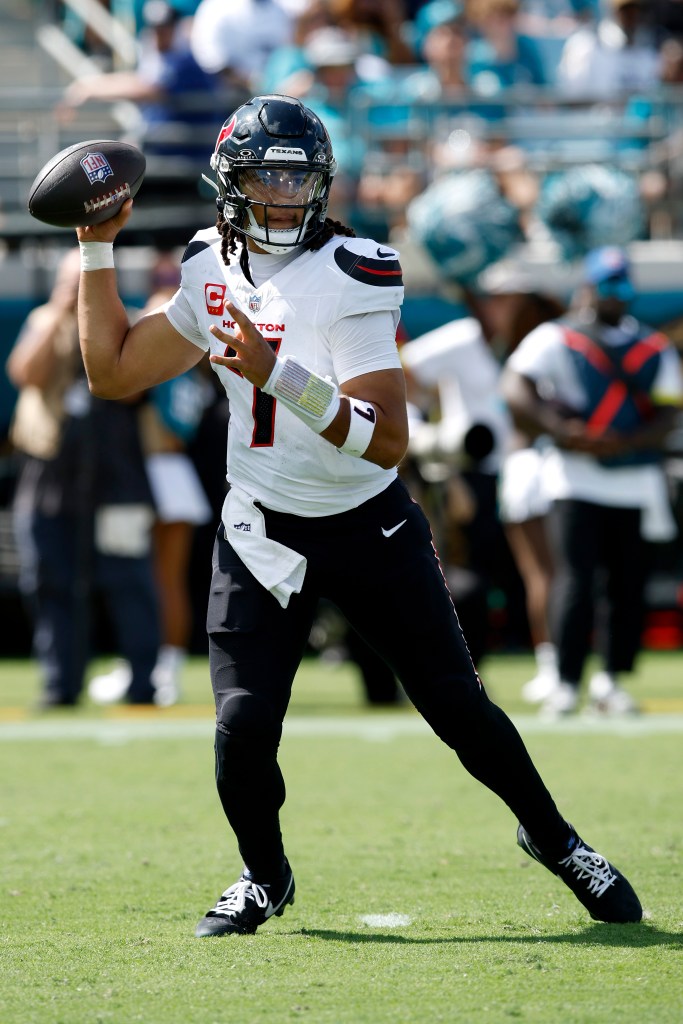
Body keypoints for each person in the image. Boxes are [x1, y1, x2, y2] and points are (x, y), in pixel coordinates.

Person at [74, 94, 642, 935]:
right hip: (260, 528)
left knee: (458, 709)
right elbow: (114, 374)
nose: (285, 196)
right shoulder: (206, 266)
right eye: (266, 177)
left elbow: (385, 442)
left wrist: (276, 376)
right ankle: (263, 875)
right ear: (228, 185)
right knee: (241, 727)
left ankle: (556, 840)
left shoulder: (354, 270)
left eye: (299, 180)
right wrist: (95, 251)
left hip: (363, 522)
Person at [501, 246, 683, 717]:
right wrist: (561, 430)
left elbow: (669, 408)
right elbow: (515, 386)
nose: (614, 297)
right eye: (607, 287)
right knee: (574, 580)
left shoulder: (651, 346)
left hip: (635, 477)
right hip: (572, 477)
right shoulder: (556, 337)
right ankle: (564, 679)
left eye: (621, 287)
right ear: (587, 287)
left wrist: (626, 441)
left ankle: (611, 680)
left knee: (627, 584)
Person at [6, 249, 160, 707]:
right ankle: (61, 684)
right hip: (50, 477)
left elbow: (137, 393)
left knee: (129, 582)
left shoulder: (126, 322)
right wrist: (58, 312)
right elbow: (24, 374)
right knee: (50, 580)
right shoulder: (43, 322)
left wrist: (98, 332)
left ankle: (143, 684)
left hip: (117, 478)